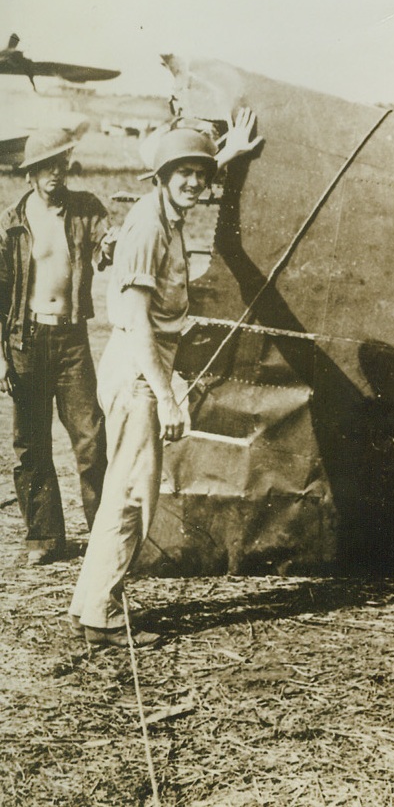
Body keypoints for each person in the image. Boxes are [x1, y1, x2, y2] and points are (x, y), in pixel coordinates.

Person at [69, 114, 260, 647]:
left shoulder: (167, 207)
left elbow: (188, 174)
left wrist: (226, 155)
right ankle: (103, 617)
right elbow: (133, 323)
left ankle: (89, 605)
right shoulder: (149, 228)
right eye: (186, 174)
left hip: (140, 367)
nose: (197, 183)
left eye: (203, 173)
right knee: (132, 496)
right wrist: (166, 397)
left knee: (122, 493)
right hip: (138, 369)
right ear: (162, 176)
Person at [0, 128, 110, 566]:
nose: (55, 173)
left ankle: (105, 533)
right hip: (26, 341)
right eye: (46, 166)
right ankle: (44, 537)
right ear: (30, 173)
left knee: (91, 436)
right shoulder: (11, 222)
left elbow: (106, 243)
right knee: (31, 443)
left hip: (71, 340)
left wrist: (111, 249)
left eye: (61, 164)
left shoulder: (86, 208)